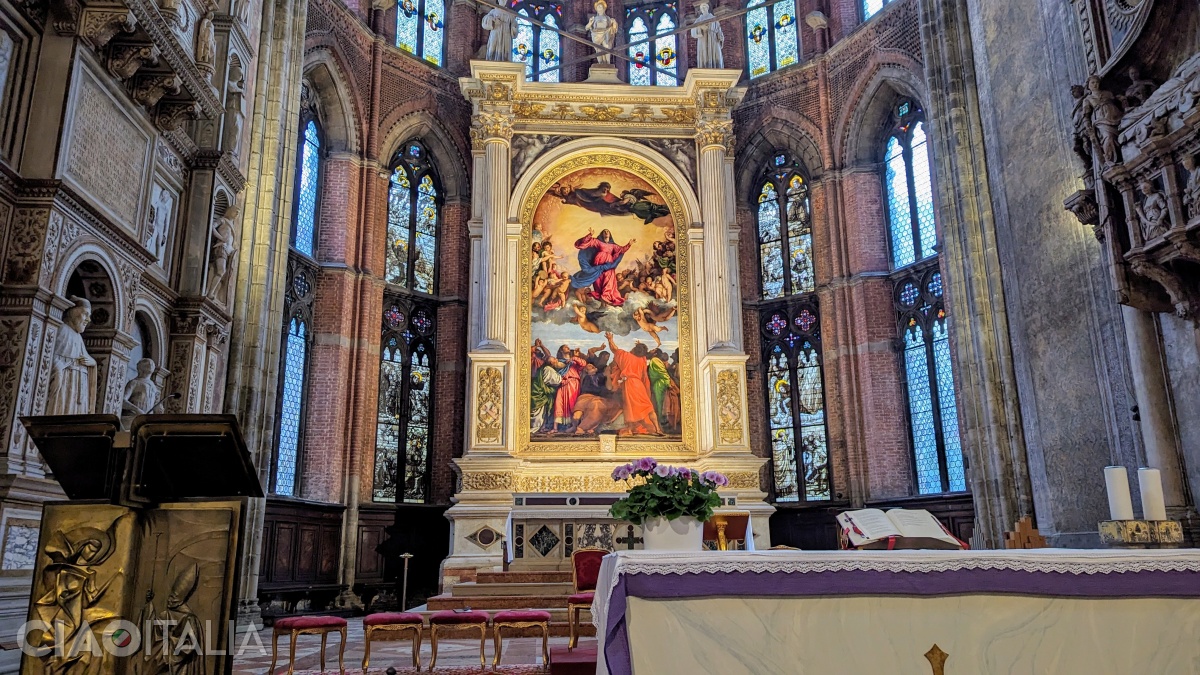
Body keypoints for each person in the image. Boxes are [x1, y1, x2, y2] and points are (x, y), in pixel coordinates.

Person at [47, 296, 97, 416]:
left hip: (79, 385)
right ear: (74, 313)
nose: (88, 320)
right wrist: (58, 369)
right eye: (85, 314)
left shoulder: (78, 337)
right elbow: (48, 355)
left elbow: (84, 357)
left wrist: (92, 363)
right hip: (66, 381)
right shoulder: (62, 329)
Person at [605, 332, 662, 435]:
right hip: (639, 385)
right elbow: (642, 354)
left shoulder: (625, 356)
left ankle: (630, 430)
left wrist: (610, 339)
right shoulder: (642, 360)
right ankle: (657, 429)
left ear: (634, 350)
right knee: (648, 407)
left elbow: (614, 349)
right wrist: (640, 345)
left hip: (629, 384)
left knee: (630, 408)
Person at [571, 228, 634, 306]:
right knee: (598, 282)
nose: (606, 233)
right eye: (604, 232)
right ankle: (602, 304)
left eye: (608, 231)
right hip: (598, 264)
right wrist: (590, 234)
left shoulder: (613, 245)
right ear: (602, 234)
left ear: (610, 234)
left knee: (608, 283)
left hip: (608, 265)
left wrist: (629, 244)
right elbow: (586, 242)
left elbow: (621, 250)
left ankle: (605, 302)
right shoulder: (598, 242)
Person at [552, 347, 588, 431]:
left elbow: (583, 364)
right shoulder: (558, 361)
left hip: (573, 383)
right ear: (561, 350)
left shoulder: (574, 361)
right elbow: (556, 370)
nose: (568, 347)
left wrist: (574, 357)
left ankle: (574, 425)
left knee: (573, 404)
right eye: (565, 347)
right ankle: (555, 428)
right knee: (559, 403)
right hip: (562, 383)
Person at [690, 2, 724, 69]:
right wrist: (700, 28)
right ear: (701, 10)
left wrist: (720, 37)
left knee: (716, 54)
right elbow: (692, 31)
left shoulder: (714, 18)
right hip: (703, 38)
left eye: (705, 7)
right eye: (702, 8)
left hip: (713, 38)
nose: (704, 9)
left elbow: (719, 30)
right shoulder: (698, 20)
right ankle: (704, 66)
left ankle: (716, 66)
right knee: (704, 55)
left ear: (708, 8)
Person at [585, 0, 618, 65]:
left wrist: (614, 23)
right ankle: (600, 63)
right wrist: (590, 23)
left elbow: (613, 28)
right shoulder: (594, 18)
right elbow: (586, 28)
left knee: (606, 46)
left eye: (601, 7)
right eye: (598, 7)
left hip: (606, 33)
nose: (599, 8)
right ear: (596, 9)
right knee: (598, 49)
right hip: (596, 35)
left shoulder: (607, 18)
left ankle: (607, 63)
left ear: (604, 8)